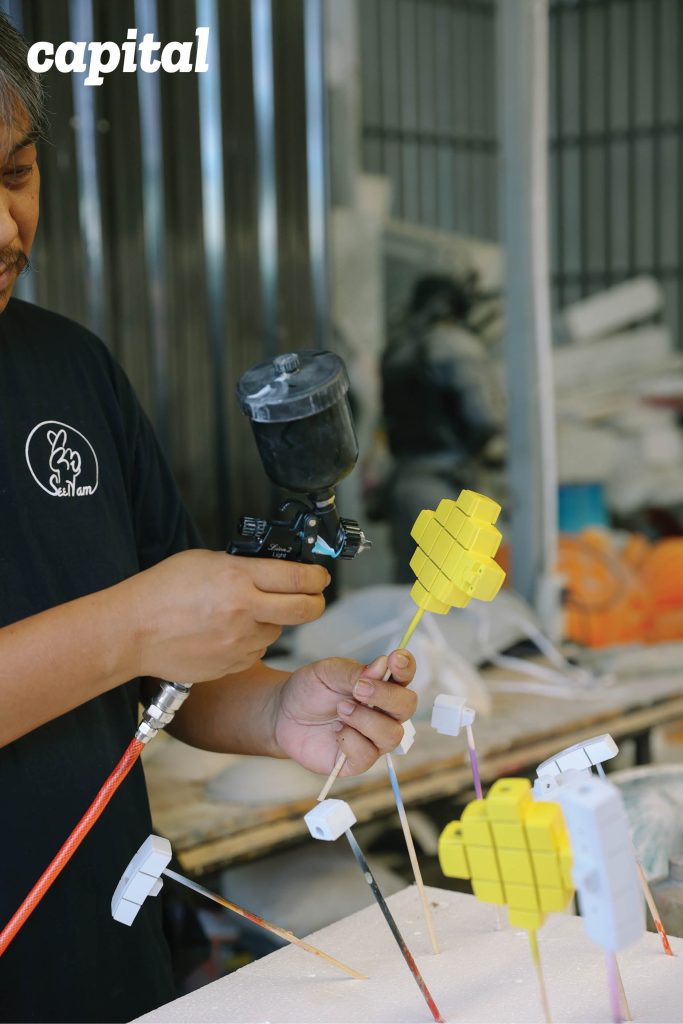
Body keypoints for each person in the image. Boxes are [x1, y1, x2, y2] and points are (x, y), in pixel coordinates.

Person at [0, 15, 416, 1023]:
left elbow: (158, 673)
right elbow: (130, 634)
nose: (6, 230)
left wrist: (276, 712)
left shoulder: (67, 365)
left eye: (15, 174)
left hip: (103, 961)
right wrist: (132, 624)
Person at [380, 274, 503, 581]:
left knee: (411, 588)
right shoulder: (456, 346)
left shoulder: (397, 348)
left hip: (405, 481)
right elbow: (486, 417)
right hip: (448, 485)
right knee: (453, 588)